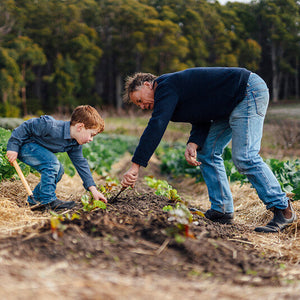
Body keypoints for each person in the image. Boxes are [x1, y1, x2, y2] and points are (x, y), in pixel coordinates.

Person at [121, 67, 297, 233]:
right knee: (206, 152)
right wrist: (194, 142)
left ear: (147, 84)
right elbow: (201, 113)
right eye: (138, 105)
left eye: (139, 100)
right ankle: (221, 210)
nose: (142, 106)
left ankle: (283, 209)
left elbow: (156, 125)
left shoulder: (165, 86)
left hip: (246, 91)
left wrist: (136, 165)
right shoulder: (171, 91)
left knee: (245, 156)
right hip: (230, 102)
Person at [6, 105, 107, 211]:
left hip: (36, 149)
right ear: (80, 127)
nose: (91, 139)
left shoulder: (74, 143)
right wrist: (13, 147)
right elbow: (26, 126)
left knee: (59, 171)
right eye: (91, 135)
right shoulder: (50, 125)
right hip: (25, 146)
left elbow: (81, 164)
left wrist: (93, 190)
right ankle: (48, 201)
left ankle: (34, 201)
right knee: (51, 164)